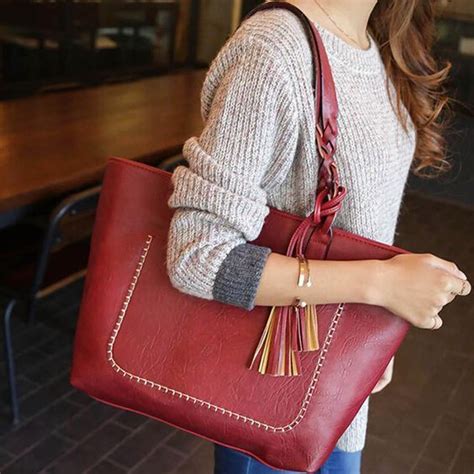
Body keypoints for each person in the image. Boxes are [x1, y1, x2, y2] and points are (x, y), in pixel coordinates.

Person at [166, 0, 472, 472]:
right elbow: (197, 254)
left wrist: (368, 332)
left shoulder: (374, 43)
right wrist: (382, 285)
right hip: (274, 392)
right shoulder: (274, 49)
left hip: (336, 388)